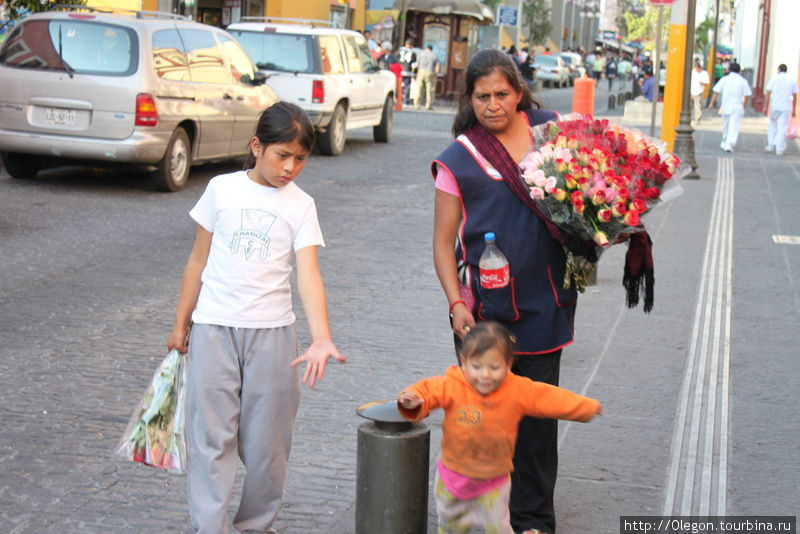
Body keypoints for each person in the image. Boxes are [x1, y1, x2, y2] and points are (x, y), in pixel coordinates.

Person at [167, 102, 346, 534]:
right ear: (256, 146)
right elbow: (197, 260)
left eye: (300, 158)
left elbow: (308, 274)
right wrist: (180, 324)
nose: (290, 167)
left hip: (273, 337)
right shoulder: (221, 189)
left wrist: (321, 336)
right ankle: (210, 528)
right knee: (212, 440)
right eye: (281, 155)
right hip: (213, 329)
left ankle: (256, 526)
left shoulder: (302, 205)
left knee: (268, 448)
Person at [431, 48, 580, 534]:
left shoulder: (551, 130)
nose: (492, 104)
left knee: (537, 423)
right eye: (481, 96)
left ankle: (533, 521)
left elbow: (586, 189)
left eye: (501, 94)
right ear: (468, 99)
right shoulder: (459, 159)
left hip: (545, 304)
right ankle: (481, 519)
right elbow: (441, 242)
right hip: (483, 314)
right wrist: (456, 303)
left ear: (519, 93)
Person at [397, 322, 602, 534]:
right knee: (451, 528)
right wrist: (413, 398)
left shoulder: (517, 389)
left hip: (493, 483)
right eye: (477, 367)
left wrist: (586, 407)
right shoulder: (452, 384)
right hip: (453, 481)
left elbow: (549, 398)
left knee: (499, 528)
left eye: (494, 367)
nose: (485, 375)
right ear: (464, 362)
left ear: (508, 364)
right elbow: (427, 390)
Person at [708, 62, 752, 152]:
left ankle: (725, 140)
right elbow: (746, 95)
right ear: (739, 71)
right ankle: (729, 143)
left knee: (726, 124)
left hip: (726, 106)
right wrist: (744, 104)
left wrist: (711, 103)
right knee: (734, 125)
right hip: (737, 106)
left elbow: (716, 92)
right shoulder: (743, 81)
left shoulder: (724, 79)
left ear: (729, 70)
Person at [763, 63, 798, 156]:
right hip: (786, 107)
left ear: (778, 70)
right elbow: (795, 96)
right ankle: (779, 149)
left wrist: (765, 106)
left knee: (772, 125)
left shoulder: (774, 79)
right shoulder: (791, 80)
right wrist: (794, 109)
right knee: (782, 128)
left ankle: (771, 145)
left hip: (774, 105)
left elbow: (768, 93)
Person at [416, 44, 440, 110]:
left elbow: (418, 64)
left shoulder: (421, 54)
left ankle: (417, 104)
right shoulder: (434, 55)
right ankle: (429, 105)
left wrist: (418, 73)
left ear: (426, 48)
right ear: (431, 49)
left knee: (419, 88)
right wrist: (436, 75)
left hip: (421, 71)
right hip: (430, 71)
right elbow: (437, 66)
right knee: (430, 89)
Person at [398, 38, 418, 105]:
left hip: (400, 70)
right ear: (412, 45)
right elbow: (414, 65)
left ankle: (398, 100)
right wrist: (414, 73)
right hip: (408, 71)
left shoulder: (400, 50)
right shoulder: (413, 53)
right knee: (407, 87)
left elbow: (396, 59)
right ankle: (405, 102)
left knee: (399, 86)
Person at [690, 60, 710, 124]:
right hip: (690, 91)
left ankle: (697, 119)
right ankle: (689, 118)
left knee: (697, 106)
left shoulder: (704, 73)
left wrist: (702, 83)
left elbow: (707, 83)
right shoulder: (692, 72)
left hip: (698, 91)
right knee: (689, 106)